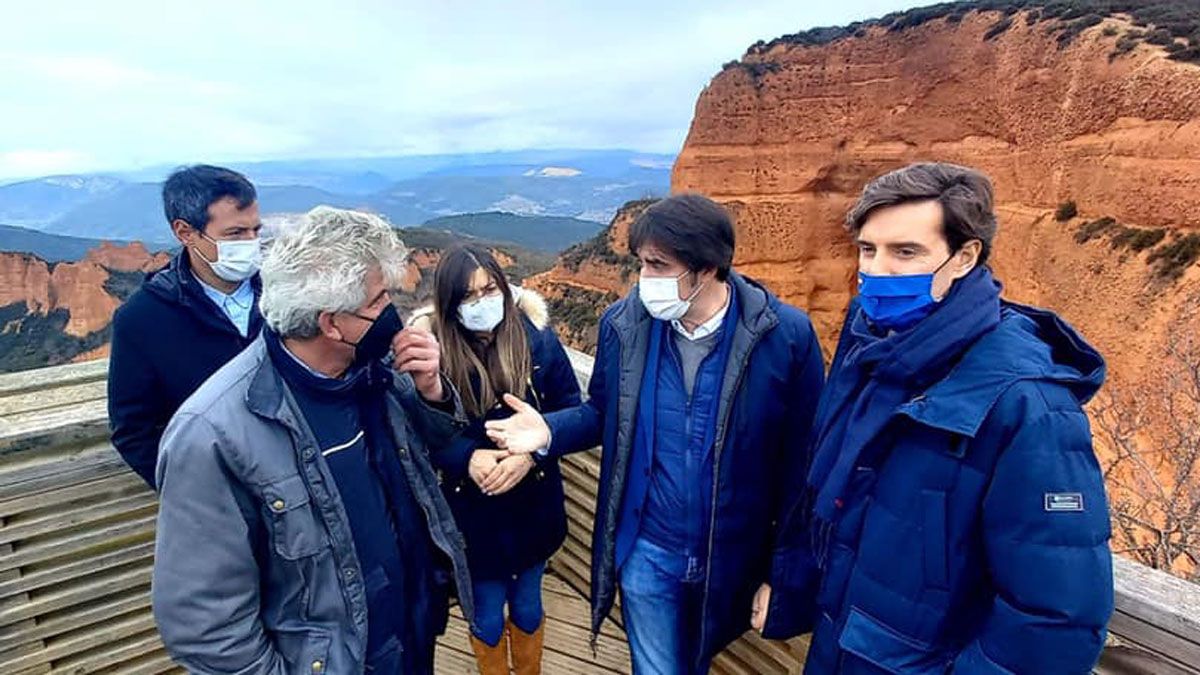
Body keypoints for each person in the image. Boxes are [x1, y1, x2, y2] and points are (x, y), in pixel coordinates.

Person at [762, 163, 1113, 674]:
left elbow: (1056, 618)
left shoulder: (1029, 405)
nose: (877, 270)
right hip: (840, 645)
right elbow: (826, 488)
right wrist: (789, 581)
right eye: (868, 249)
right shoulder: (871, 346)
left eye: (905, 252)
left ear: (965, 256)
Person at [484, 194, 826, 674]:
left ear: (707, 268)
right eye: (641, 263)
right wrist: (547, 432)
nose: (643, 279)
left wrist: (783, 574)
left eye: (658, 265)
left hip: (731, 553)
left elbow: (803, 464)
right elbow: (603, 413)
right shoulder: (622, 326)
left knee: (696, 660)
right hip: (647, 550)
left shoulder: (785, 336)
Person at [152, 206, 475, 674]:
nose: (393, 314)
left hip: (411, 632)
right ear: (330, 324)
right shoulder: (213, 434)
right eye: (379, 301)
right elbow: (205, 623)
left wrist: (433, 393)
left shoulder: (375, 368)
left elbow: (436, 444)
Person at [409, 243, 581, 675]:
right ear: (448, 303)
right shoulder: (430, 352)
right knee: (485, 615)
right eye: (468, 296)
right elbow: (417, 432)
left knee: (527, 605)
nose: (483, 303)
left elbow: (570, 407)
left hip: (532, 505)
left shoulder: (535, 337)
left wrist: (532, 454)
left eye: (490, 289)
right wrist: (468, 457)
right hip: (470, 516)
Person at [108, 164, 264, 488]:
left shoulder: (284, 293)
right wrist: (193, 493)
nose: (250, 243)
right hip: (219, 489)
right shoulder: (143, 320)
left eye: (256, 231)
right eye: (235, 233)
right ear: (185, 232)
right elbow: (134, 431)